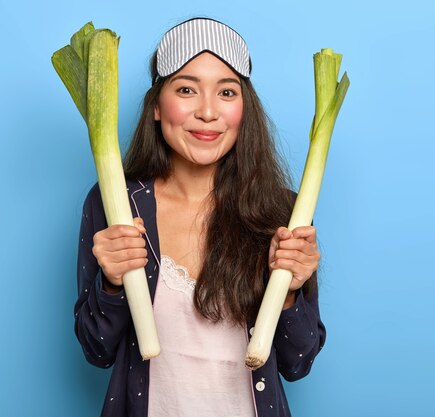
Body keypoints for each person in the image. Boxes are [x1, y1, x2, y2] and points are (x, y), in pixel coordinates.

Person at [74, 17, 326, 417]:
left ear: (244, 109)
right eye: (187, 89)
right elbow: (96, 350)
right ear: (157, 106)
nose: (208, 112)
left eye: (226, 92)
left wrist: (292, 290)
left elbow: (299, 362)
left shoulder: (283, 211)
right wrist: (111, 283)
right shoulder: (114, 202)